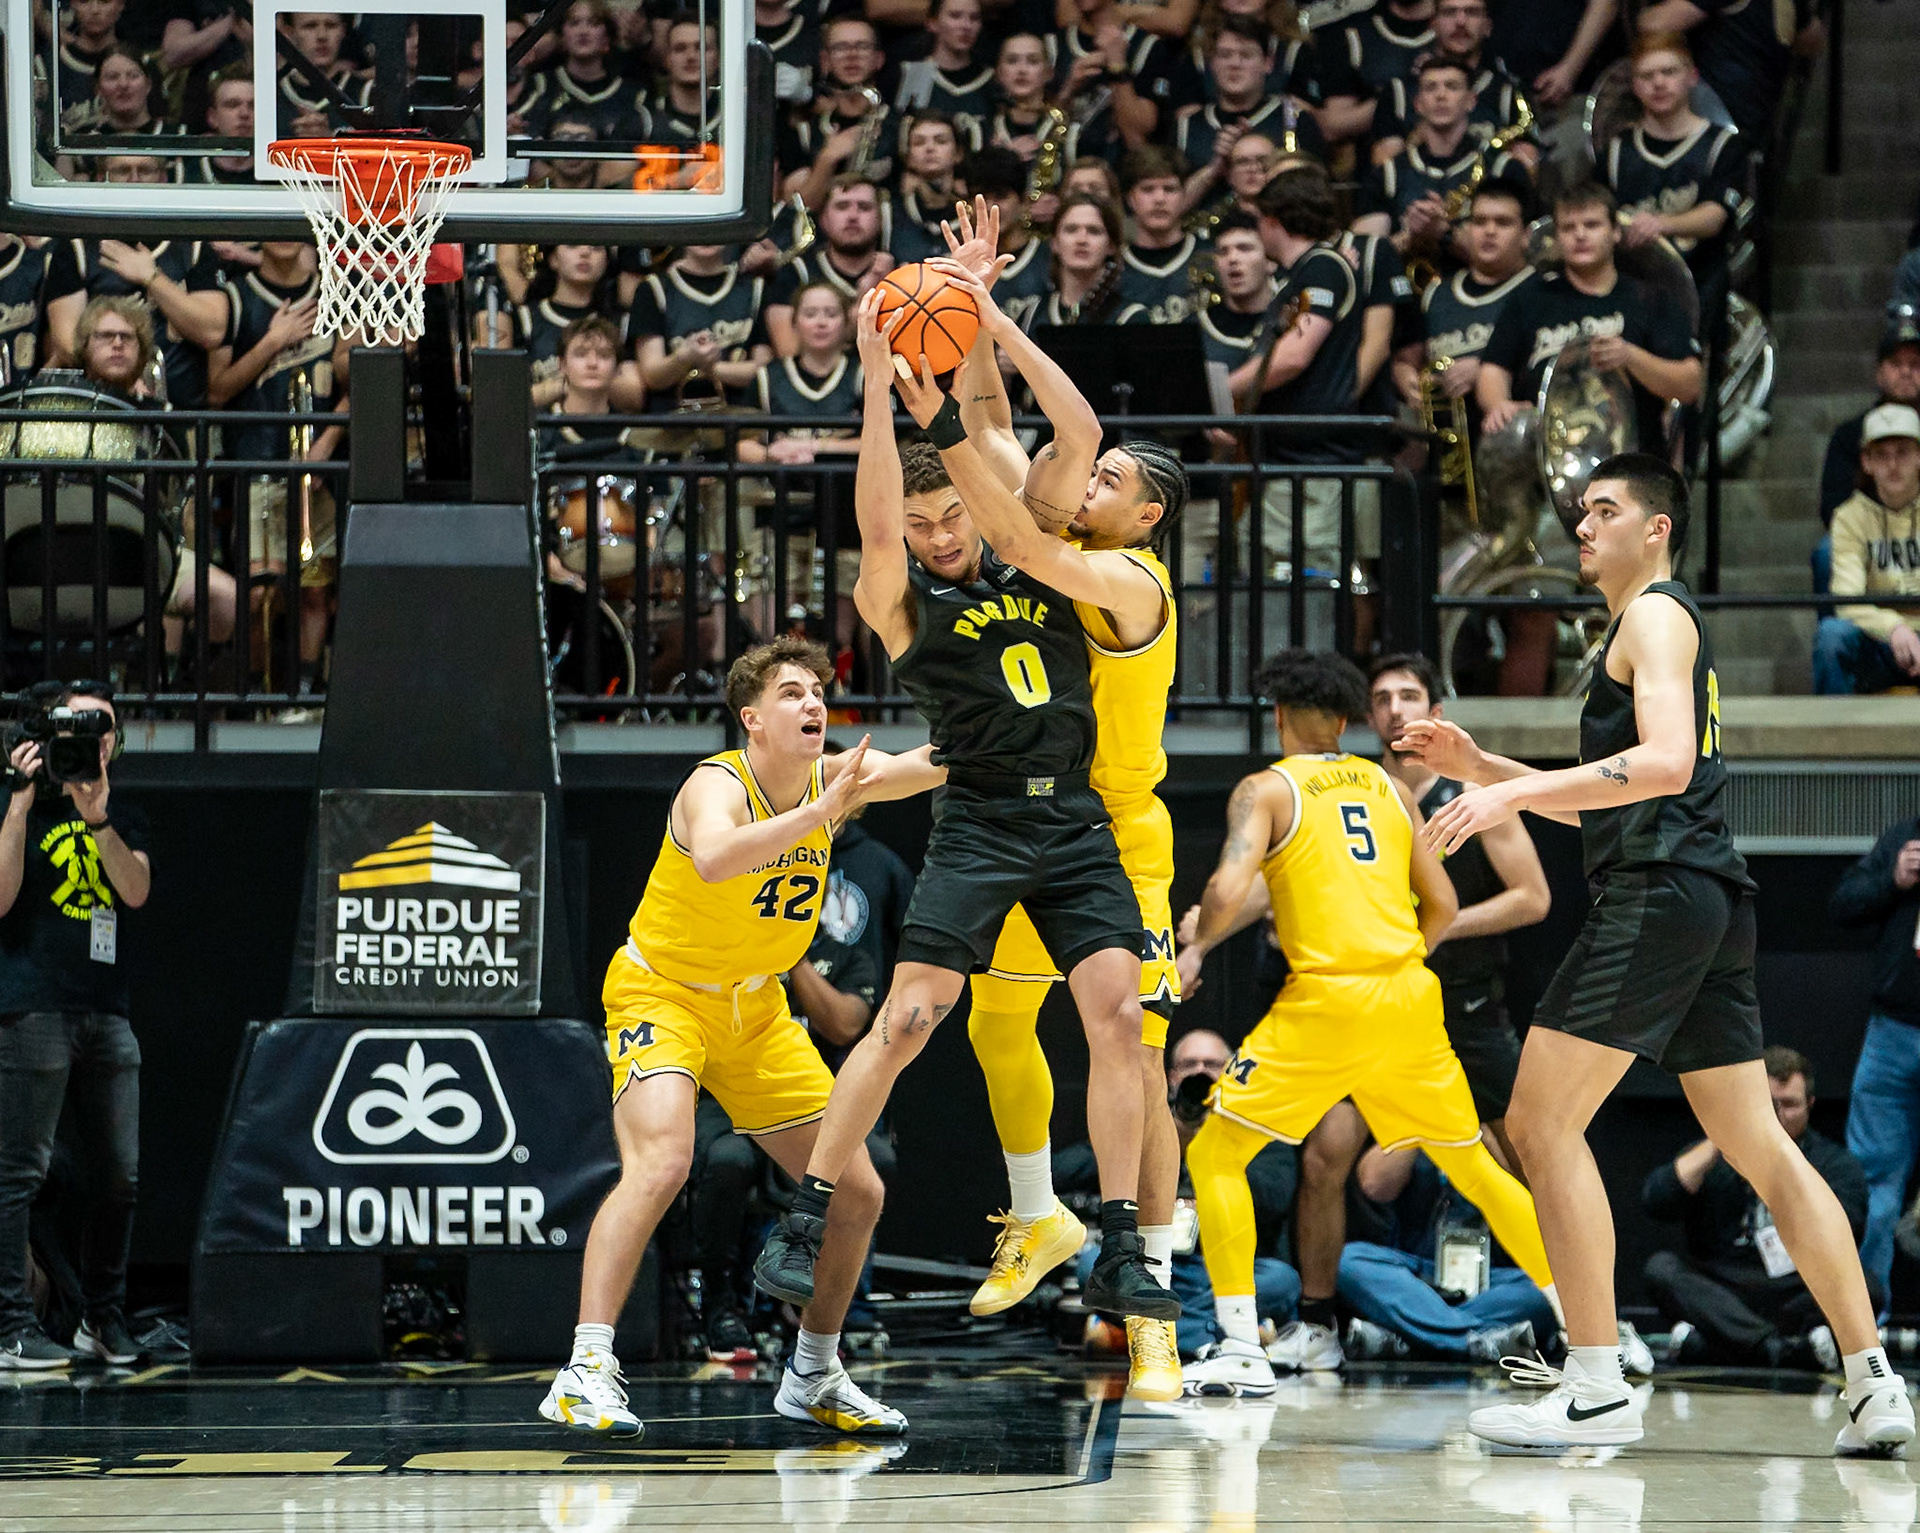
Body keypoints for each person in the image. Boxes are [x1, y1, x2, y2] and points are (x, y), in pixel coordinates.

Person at [1399, 451, 1914, 1454]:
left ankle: (1594, 1383)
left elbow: (1666, 763)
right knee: (1762, 1147)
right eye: (1580, 511)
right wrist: (1488, 769)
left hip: (1659, 896)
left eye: (1604, 509)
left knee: (1539, 1126)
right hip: (1712, 899)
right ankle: (1872, 1380)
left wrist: (1507, 794)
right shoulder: (1647, 629)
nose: (1581, 526)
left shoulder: (1655, 616)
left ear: (1658, 528)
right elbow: (1633, 776)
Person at [751, 285, 1178, 1330]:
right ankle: (805, 1218)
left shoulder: (1049, 556)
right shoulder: (899, 600)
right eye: (922, 520)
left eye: (952, 516)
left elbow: (1066, 434)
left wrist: (983, 316)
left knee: (1120, 1022)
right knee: (906, 1018)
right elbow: (880, 508)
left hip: (1077, 822)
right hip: (982, 820)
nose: (942, 534)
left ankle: (1121, 1243)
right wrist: (877, 390)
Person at [891, 221, 1191, 1399]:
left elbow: (1034, 475)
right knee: (992, 1028)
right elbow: (998, 430)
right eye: (1099, 478)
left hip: (1117, 829)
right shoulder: (1057, 537)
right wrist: (963, 311)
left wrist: (988, 327)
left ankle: (1155, 1306)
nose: (1097, 481)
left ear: (1145, 518)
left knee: (1136, 1059)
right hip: (1024, 813)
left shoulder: (1120, 577)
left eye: (1115, 484)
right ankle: (1034, 1214)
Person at [538, 640, 940, 1438]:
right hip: (665, 993)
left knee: (857, 1191)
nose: (813, 702)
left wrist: (1011, 727)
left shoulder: (832, 778)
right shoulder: (713, 783)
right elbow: (718, 858)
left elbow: (926, 764)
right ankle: (584, 1368)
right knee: (664, 1160)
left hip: (755, 1011)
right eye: (792, 692)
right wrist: (820, 816)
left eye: (819, 690)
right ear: (752, 718)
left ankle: (815, 1370)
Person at [1174, 648, 1553, 1395]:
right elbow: (1441, 902)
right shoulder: (1386, 785)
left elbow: (1227, 885)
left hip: (1325, 1004)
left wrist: (1195, 944)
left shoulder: (1267, 787)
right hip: (1409, 999)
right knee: (1480, 1165)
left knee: (1216, 1155)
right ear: (1347, 721)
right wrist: (1399, 953)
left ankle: (1243, 1346)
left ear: (1279, 717)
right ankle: (1586, 1325)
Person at [0, 683, 152, 1370]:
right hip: (33, 1002)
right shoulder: (18, 794)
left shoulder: (119, 802)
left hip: (106, 1007)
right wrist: (19, 802)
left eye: (104, 727)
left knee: (119, 1174)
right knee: (19, 1171)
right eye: (78, 727)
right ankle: (11, 1327)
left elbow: (137, 889)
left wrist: (98, 819)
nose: (93, 740)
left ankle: (104, 1317)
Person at [1367, 652, 1550, 1171]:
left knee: (1527, 1151)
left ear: (1437, 713)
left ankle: (1551, 1255)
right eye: (1382, 700)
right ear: (1366, 718)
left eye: (1408, 697)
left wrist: (1439, 928)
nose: (1395, 710)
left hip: (1466, 1003)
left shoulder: (1473, 794)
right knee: (1330, 1155)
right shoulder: (1359, 794)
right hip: (1380, 1002)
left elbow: (1533, 898)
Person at [1066, 1029, 1304, 1357]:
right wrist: (1160, 1138)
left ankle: (1142, 1334)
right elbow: (1063, 1170)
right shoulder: (1145, 1123)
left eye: (1212, 1065)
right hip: (1152, 1267)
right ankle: (1222, 1338)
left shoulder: (1256, 1128)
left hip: (1226, 1273)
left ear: (1233, 1072)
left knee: (1282, 1279)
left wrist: (1216, 1144)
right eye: (1189, 1064)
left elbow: (1274, 1199)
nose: (1200, 1073)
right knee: (1093, 1264)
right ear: (1171, 1076)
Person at [1644, 1047, 1870, 1369]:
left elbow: (1851, 1229)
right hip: (1723, 1292)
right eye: (1767, 1103)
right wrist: (1721, 1141)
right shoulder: (1717, 1152)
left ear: (1810, 1105)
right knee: (1661, 1270)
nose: (1777, 1114)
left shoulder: (1833, 1162)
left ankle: (1722, 1346)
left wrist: (1786, 1167)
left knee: (1866, 1283)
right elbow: (1656, 1201)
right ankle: (1779, 1350)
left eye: (1789, 1104)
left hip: (1797, 1290)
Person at [1477, 182, 1702, 458]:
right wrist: (1499, 404)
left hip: (1632, 461)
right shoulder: (1529, 298)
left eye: (1592, 225)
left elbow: (1690, 384)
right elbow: (1493, 369)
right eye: (1568, 228)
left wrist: (1630, 357)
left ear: (1616, 232)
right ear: (1557, 237)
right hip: (1544, 459)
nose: (1580, 235)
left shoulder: (1650, 299)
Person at [1338, 1141, 1556, 1363]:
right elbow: (1374, 1185)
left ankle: (1410, 1336)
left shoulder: (1509, 1124)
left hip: (1493, 1279)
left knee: (1550, 1290)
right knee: (1349, 1260)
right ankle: (1472, 1342)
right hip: (1419, 1279)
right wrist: (1425, 1125)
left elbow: (1535, 1191)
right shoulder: (1419, 1123)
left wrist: (1485, 1130)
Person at [1833, 808, 1920, 1311]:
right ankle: (1865, 1327)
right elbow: (1843, 904)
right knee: (1873, 1186)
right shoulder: (1905, 838)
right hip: (1894, 1031)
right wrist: (1892, 879)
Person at [1601, 35, 1747, 293]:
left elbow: (1715, 217)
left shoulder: (1723, 146)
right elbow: (1598, 214)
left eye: (1668, 72)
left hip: (1703, 288)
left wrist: (1659, 224)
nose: (1658, 83)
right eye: (1647, 76)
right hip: (1631, 292)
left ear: (1692, 76)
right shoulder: (1616, 150)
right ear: (1635, 85)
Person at [1352, 55, 1521, 269]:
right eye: (1431, 88)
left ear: (1471, 101)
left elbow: (1512, 258)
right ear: (1418, 104)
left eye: (1451, 87)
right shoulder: (1387, 174)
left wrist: (1444, 232)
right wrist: (1410, 236)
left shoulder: (1503, 169)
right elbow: (1363, 260)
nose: (1441, 95)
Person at [1815, 404, 1920, 695]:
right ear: (1866, 461)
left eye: (1902, 452)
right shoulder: (1850, 517)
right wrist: (1895, 628)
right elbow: (1848, 601)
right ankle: (1831, 737)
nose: (1893, 465)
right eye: (1882, 455)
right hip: (1879, 638)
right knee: (1832, 636)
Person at [1370, 0, 1533, 167]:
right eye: (1449, 12)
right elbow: (1385, 174)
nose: (1460, 22)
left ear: (1488, 26)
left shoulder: (1509, 94)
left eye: (1472, 12)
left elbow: (1527, 170)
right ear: (1433, 25)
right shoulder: (1400, 93)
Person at [766, 177, 896, 353]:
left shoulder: (900, 274)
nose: (853, 216)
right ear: (823, 219)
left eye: (864, 207)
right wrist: (861, 305)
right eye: (842, 207)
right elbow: (790, 351)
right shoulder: (794, 272)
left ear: (881, 220)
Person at [1819, 318, 1920, 533]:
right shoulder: (1850, 436)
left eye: (1915, 365)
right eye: (1895, 364)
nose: (1905, 372)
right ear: (1879, 373)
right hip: (1869, 535)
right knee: (1826, 553)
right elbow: (1833, 507)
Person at [1172, 20, 1297, 182]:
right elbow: (1173, 203)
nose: (1235, 64)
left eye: (1246, 55)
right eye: (1225, 55)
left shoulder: (1294, 120)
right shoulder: (1186, 127)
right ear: (1211, 62)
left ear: (1268, 63)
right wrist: (1216, 168)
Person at [1314, 0, 1435, 145]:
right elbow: (1334, 125)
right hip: (1376, 157)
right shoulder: (1352, 35)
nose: (1460, 20)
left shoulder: (1458, 25)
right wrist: (1397, 98)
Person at [1114, 146, 1204, 326]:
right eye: (1148, 189)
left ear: (1184, 196)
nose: (1159, 199)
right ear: (1130, 199)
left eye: (1169, 189)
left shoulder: (1211, 257)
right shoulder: (1112, 270)